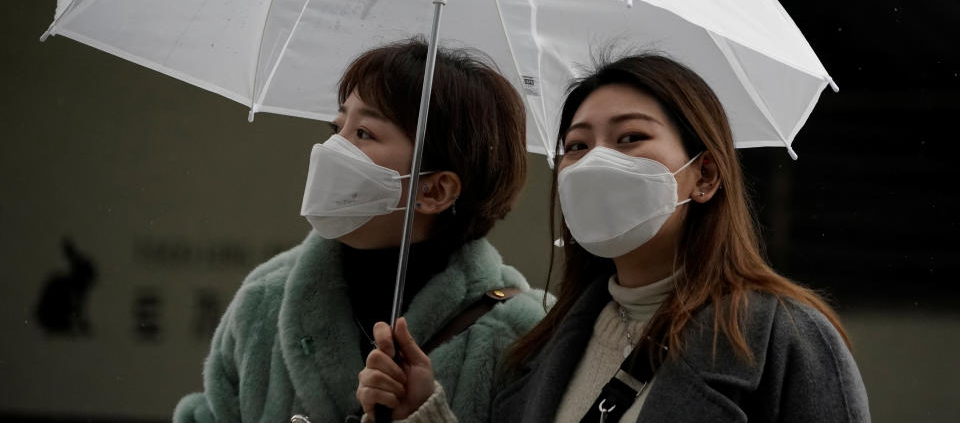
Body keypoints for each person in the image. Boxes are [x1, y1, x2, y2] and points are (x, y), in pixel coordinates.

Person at [357, 53, 870, 422]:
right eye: (577, 145)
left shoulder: (787, 338)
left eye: (631, 138)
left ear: (706, 175)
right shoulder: (543, 348)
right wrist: (421, 413)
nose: (597, 161)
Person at [174, 38, 547, 423]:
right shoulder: (265, 301)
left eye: (363, 133)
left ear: (435, 189)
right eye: (337, 126)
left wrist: (424, 415)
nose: (333, 147)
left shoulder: (521, 337)